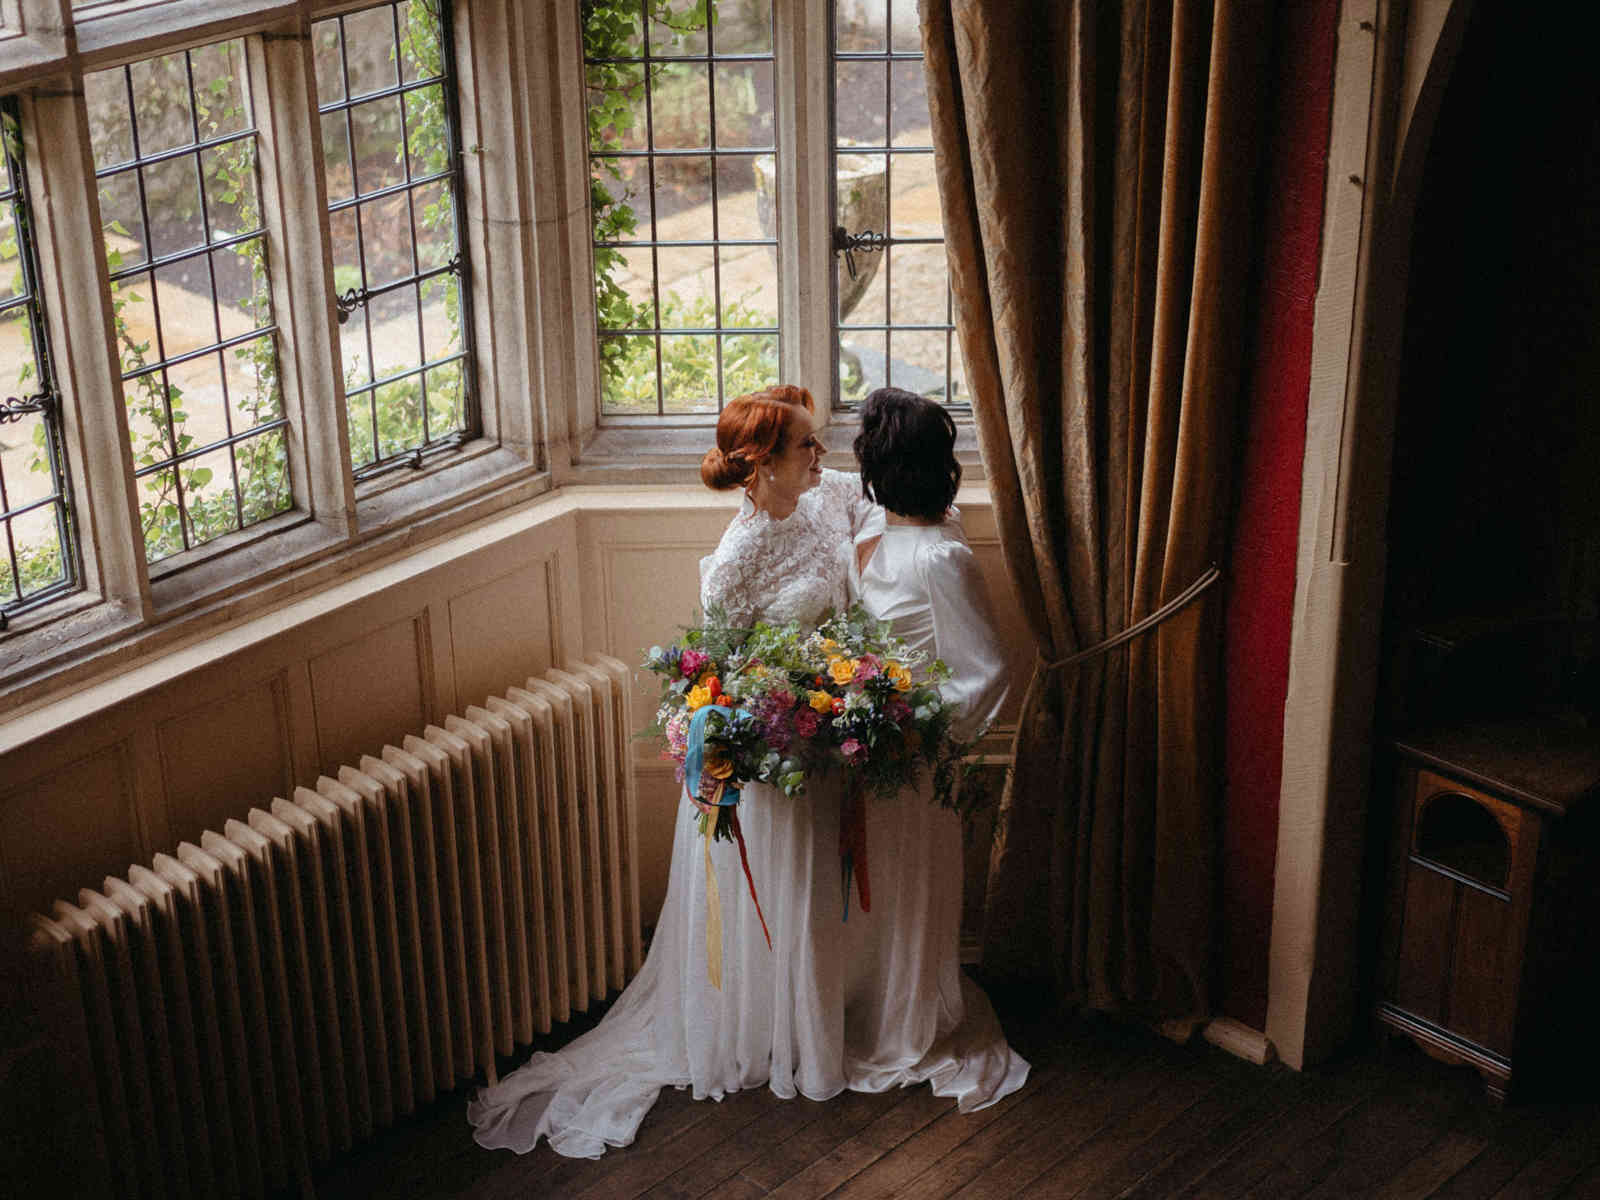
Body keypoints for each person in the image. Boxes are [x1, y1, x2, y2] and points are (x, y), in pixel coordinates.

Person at [468, 384, 879, 1159]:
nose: (821, 454)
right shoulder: (735, 560)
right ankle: (765, 1030)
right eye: (804, 446)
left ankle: (826, 1013)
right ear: (760, 465)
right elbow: (722, 678)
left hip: (825, 740)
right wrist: (786, 711)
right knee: (778, 894)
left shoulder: (828, 502)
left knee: (822, 897)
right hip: (772, 762)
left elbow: (879, 510)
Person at [840, 386, 1030, 1108]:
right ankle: (866, 1002)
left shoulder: (940, 559)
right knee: (869, 893)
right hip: (861, 754)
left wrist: (921, 742)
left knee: (912, 888)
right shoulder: (873, 526)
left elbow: (985, 671)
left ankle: (908, 1017)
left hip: (913, 763)